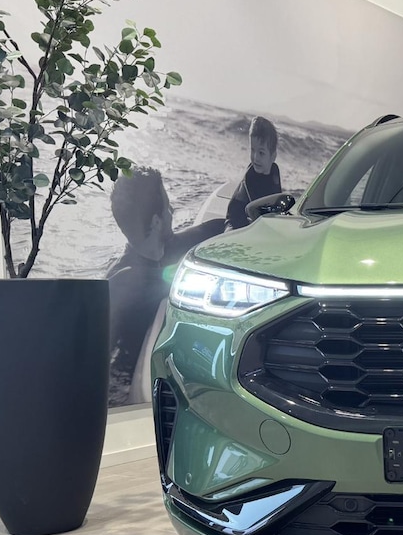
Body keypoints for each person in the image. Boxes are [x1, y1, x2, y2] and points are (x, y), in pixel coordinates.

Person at [106, 167, 223, 404]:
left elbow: (206, 231)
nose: (172, 211)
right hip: (130, 388)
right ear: (157, 221)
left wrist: (233, 223)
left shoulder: (159, 253)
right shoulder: (123, 284)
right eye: (168, 207)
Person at [226, 115, 283, 230]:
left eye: (261, 153)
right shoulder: (251, 176)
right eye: (252, 150)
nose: (255, 157)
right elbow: (258, 215)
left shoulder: (274, 172)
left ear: (273, 156)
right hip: (234, 223)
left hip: (250, 223)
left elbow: (275, 199)